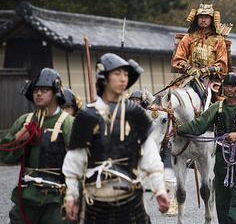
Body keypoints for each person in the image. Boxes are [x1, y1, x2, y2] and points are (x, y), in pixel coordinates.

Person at [62, 53, 169, 223]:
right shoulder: (86, 116)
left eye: (126, 74)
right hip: (95, 202)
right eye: (117, 74)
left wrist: (159, 189)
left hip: (131, 200)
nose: (123, 79)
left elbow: (151, 156)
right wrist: (71, 195)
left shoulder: (136, 114)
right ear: (104, 78)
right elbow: (74, 161)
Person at [177, 73, 236, 224]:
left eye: (233, 86)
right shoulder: (217, 108)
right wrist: (178, 130)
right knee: (221, 202)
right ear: (223, 88)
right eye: (226, 86)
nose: (229, 89)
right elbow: (199, 124)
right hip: (221, 160)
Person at [0, 68, 74, 223]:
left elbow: (79, 163)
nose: (38, 94)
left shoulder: (68, 123)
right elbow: (5, 156)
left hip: (56, 197)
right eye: (35, 90)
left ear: (55, 92)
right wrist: (19, 138)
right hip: (26, 195)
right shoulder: (25, 121)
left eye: (44, 90)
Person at [171, 3, 228, 79]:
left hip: (211, 79)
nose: (203, 20)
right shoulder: (188, 37)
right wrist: (189, 69)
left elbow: (222, 64)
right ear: (196, 19)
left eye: (207, 17)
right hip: (190, 76)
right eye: (200, 17)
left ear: (212, 19)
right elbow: (178, 59)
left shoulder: (219, 40)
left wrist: (207, 70)